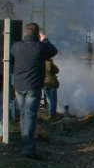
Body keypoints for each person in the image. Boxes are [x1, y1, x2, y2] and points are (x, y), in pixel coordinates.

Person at [10, 23, 58, 159]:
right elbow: (53, 50)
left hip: (19, 86)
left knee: (23, 114)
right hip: (33, 86)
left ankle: (24, 142)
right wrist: (44, 39)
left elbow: (12, 54)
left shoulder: (16, 46)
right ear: (37, 34)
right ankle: (28, 149)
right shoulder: (40, 47)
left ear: (25, 33)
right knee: (30, 116)